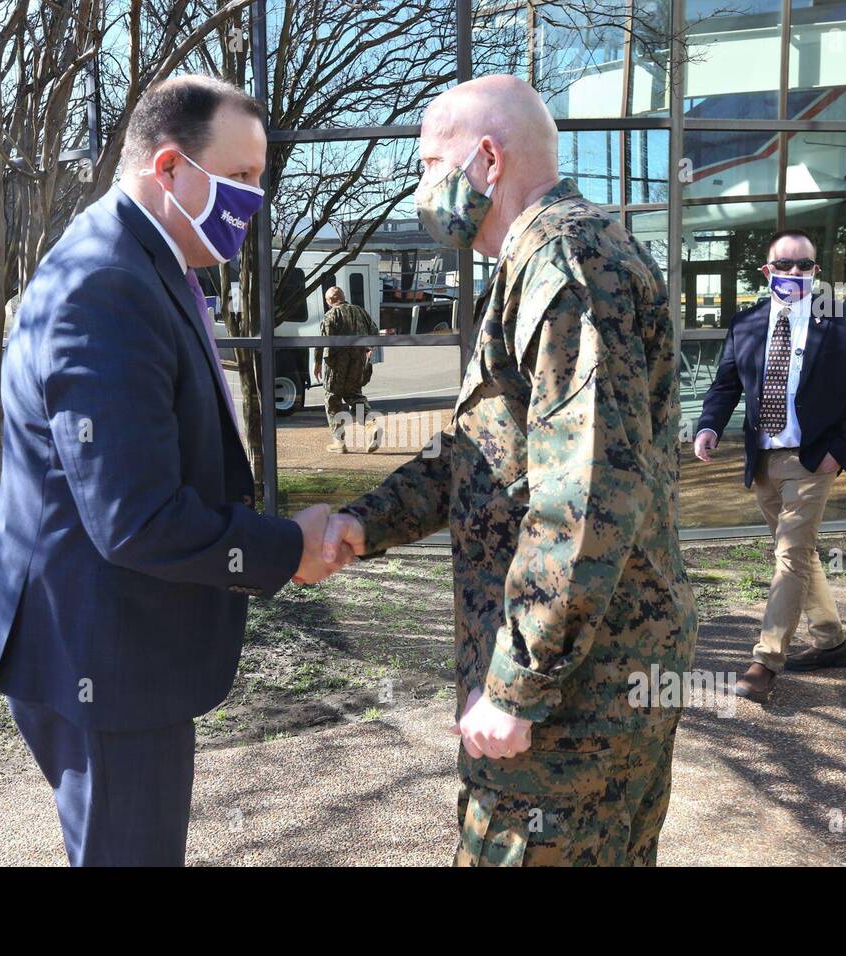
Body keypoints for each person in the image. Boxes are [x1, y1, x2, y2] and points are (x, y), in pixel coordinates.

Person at [321, 75, 697, 866]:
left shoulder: (566, 262)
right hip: (591, 673)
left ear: (486, 160)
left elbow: (586, 494)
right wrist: (362, 523)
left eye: (431, 163)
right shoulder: (540, 260)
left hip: (578, 697)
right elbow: (484, 455)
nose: (425, 188)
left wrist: (520, 683)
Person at [0, 75, 338, 866]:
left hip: (107, 641)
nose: (256, 198)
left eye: (260, 178)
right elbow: (134, 517)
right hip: (100, 658)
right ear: (167, 168)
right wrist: (285, 548)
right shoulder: (107, 283)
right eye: (239, 177)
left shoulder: (140, 259)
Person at [693, 229, 846, 704]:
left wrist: (842, 453)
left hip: (812, 460)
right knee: (798, 554)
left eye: (804, 266)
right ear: (767, 270)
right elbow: (725, 384)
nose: (794, 273)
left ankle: (766, 661)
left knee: (790, 555)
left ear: (815, 272)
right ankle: (831, 641)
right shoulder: (747, 323)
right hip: (763, 460)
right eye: (785, 265)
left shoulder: (844, 324)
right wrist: (708, 426)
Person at [313, 286, 380, 453]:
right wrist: (370, 349)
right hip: (357, 363)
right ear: (343, 297)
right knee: (354, 395)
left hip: (336, 365)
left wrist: (317, 362)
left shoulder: (331, 315)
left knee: (332, 399)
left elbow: (324, 342)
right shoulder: (360, 311)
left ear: (329, 301)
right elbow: (374, 331)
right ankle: (371, 427)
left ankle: (339, 442)